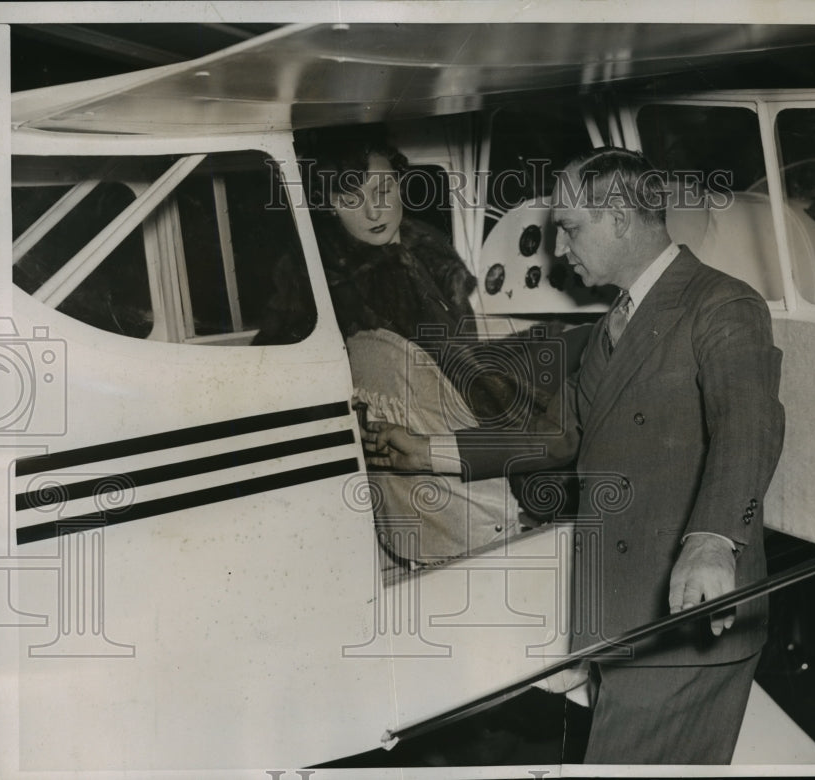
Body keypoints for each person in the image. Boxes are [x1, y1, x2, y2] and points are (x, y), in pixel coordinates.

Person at [364, 148, 785, 764]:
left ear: (618, 216)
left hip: (688, 616)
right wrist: (427, 451)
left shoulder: (721, 305)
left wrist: (712, 541)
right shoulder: (618, 319)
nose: (559, 250)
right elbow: (560, 435)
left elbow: (748, 427)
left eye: (569, 227)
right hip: (622, 615)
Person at [256, 127, 550, 567]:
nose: (374, 209)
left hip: (433, 447)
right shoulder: (323, 281)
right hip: (439, 451)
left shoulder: (425, 247)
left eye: (384, 188)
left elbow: (460, 352)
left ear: (399, 182)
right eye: (350, 197)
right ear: (328, 205)